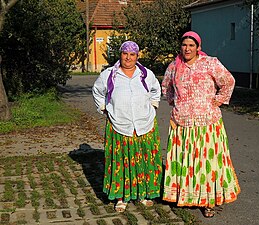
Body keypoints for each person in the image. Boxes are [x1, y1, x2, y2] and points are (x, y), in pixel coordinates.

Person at [161, 31, 240, 218]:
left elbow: (228, 81)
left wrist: (219, 99)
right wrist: (176, 104)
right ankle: (187, 196)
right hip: (182, 122)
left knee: (207, 163)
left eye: (191, 45)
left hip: (207, 122)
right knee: (186, 162)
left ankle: (208, 202)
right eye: (184, 45)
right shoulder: (174, 67)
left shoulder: (209, 63)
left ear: (198, 47)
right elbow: (166, 87)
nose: (187, 49)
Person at [92, 41, 162, 212]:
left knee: (145, 159)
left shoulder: (146, 74)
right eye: (125, 54)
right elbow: (97, 91)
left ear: (137, 57)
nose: (128, 58)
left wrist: (153, 106)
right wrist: (105, 109)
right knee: (121, 162)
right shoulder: (109, 75)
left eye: (132, 54)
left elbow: (156, 90)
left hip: (144, 124)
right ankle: (121, 197)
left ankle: (144, 194)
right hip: (119, 125)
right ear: (120, 55)